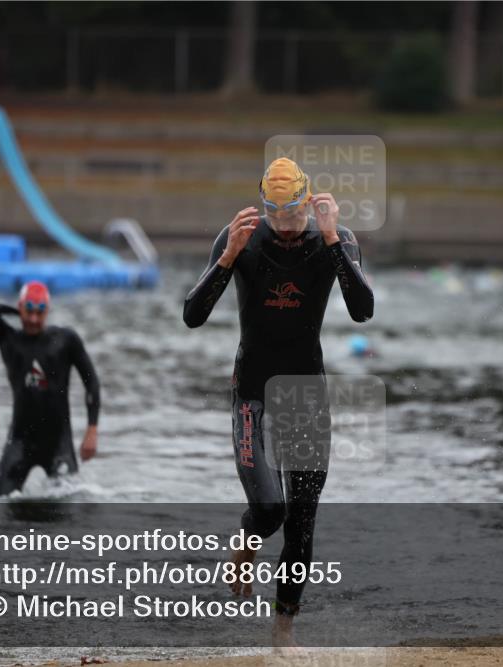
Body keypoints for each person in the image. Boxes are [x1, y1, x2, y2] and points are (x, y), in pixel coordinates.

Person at [183, 157, 374, 646]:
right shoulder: (240, 235)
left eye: (293, 216)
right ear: (264, 205)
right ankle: (246, 546)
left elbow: (362, 310)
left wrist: (331, 241)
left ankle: (282, 631)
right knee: (270, 512)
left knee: (303, 519)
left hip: (306, 391)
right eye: (276, 215)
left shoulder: (336, 238)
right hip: (252, 391)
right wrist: (228, 257)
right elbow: (192, 316)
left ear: (308, 204)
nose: (285, 227)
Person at [0, 281, 100, 496]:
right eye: (29, 311)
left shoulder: (65, 340)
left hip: (58, 443)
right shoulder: (9, 339)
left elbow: (91, 381)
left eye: (40, 312)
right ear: (20, 308)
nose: (34, 319)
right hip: (20, 441)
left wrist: (92, 429)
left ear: (48, 311)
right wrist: (19, 310)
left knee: (70, 507)